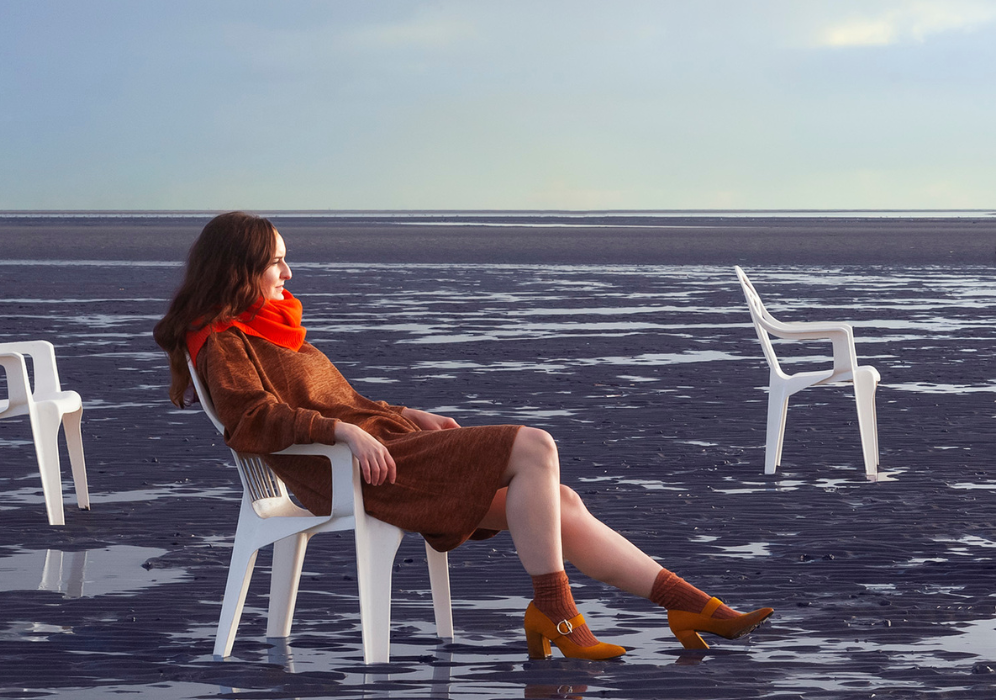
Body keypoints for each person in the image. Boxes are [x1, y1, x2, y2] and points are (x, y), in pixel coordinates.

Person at [154, 212, 773, 660]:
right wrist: (342, 430)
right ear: (240, 269)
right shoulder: (224, 340)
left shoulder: (271, 326)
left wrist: (407, 411)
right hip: (347, 473)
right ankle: (557, 614)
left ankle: (688, 604)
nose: (289, 270)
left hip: (383, 450)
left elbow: (341, 400)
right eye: (275, 261)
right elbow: (252, 420)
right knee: (535, 445)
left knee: (559, 504)